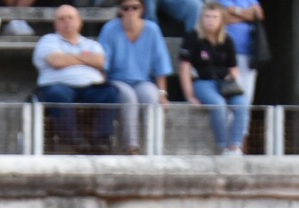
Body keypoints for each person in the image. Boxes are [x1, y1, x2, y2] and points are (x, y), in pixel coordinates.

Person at [34, 5, 119, 152]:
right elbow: (57, 62)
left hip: (91, 87)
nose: (67, 21)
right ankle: (72, 139)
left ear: (79, 21)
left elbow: (100, 62)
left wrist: (68, 58)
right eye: (61, 19)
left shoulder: (92, 44)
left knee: (110, 92)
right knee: (57, 94)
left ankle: (101, 140)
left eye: (70, 18)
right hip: (58, 85)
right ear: (55, 24)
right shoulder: (48, 41)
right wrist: (86, 58)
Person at [99, 0, 170, 155]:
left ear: (142, 9)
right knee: (129, 98)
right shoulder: (109, 29)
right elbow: (103, 62)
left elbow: (160, 64)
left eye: (134, 7)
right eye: (126, 8)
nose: (130, 11)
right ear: (120, 10)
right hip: (116, 80)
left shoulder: (153, 30)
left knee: (151, 97)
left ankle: (155, 148)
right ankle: (131, 148)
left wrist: (162, 93)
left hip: (143, 81)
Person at [179, 0, 247, 154]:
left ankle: (235, 146)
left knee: (242, 104)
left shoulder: (227, 39)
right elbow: (184, 68)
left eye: (214, 17)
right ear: (202, 18)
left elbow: (233, 67)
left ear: (221, 19)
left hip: (224, 82)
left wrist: (231, 81)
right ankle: (223, 146)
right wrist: (190, 96)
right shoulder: (193, 37)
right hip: (203, 82)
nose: (210, 20)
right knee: (219, 104)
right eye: (207, 16)